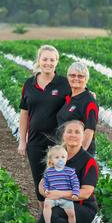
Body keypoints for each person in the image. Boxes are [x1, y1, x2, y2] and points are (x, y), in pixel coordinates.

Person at [18, 44, 71, 207]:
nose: (48, 62)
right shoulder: (29, 84)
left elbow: (81, 96)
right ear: (39, 61)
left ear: (57, 62)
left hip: (57, 142)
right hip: (34, 141)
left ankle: (58, 217)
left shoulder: (64, 83)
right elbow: (24, 114)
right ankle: (45, 218)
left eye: (52, 60)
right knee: (39, 182)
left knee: (57, 181)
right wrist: (22, 141)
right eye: (45, 59)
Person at [36, 120, 99, 223]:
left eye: (77, 132)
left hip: (83, 208)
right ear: (63, 135)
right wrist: (45, 192)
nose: (73, 135)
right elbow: (43, 182)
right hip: (59, 204)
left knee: (53, 215)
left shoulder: (88, 161)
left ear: (83, 137)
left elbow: (86, 193)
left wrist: (59, 194)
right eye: (69, 131)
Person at [56, 62, 98, 155]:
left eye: (80, 76)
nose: (76, 78)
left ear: (86, 79)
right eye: (72, 75)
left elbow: (89, 131)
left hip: (78, 154)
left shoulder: (89, 101)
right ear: (68, 77)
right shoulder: (70, 97)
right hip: (65, 150)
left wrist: (77, 156)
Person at [42, 144, 80, 223]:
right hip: (53, 197)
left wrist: (75, 193)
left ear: (66, 159)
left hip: (65, 198)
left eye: (63, 157)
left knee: (71, 214)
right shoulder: (49, 172)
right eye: (57, 157)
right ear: (51, 160)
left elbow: (75, 183)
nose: (60, 159)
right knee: (46, 204)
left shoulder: (70, 171)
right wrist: (46, 189)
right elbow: (46, 182)